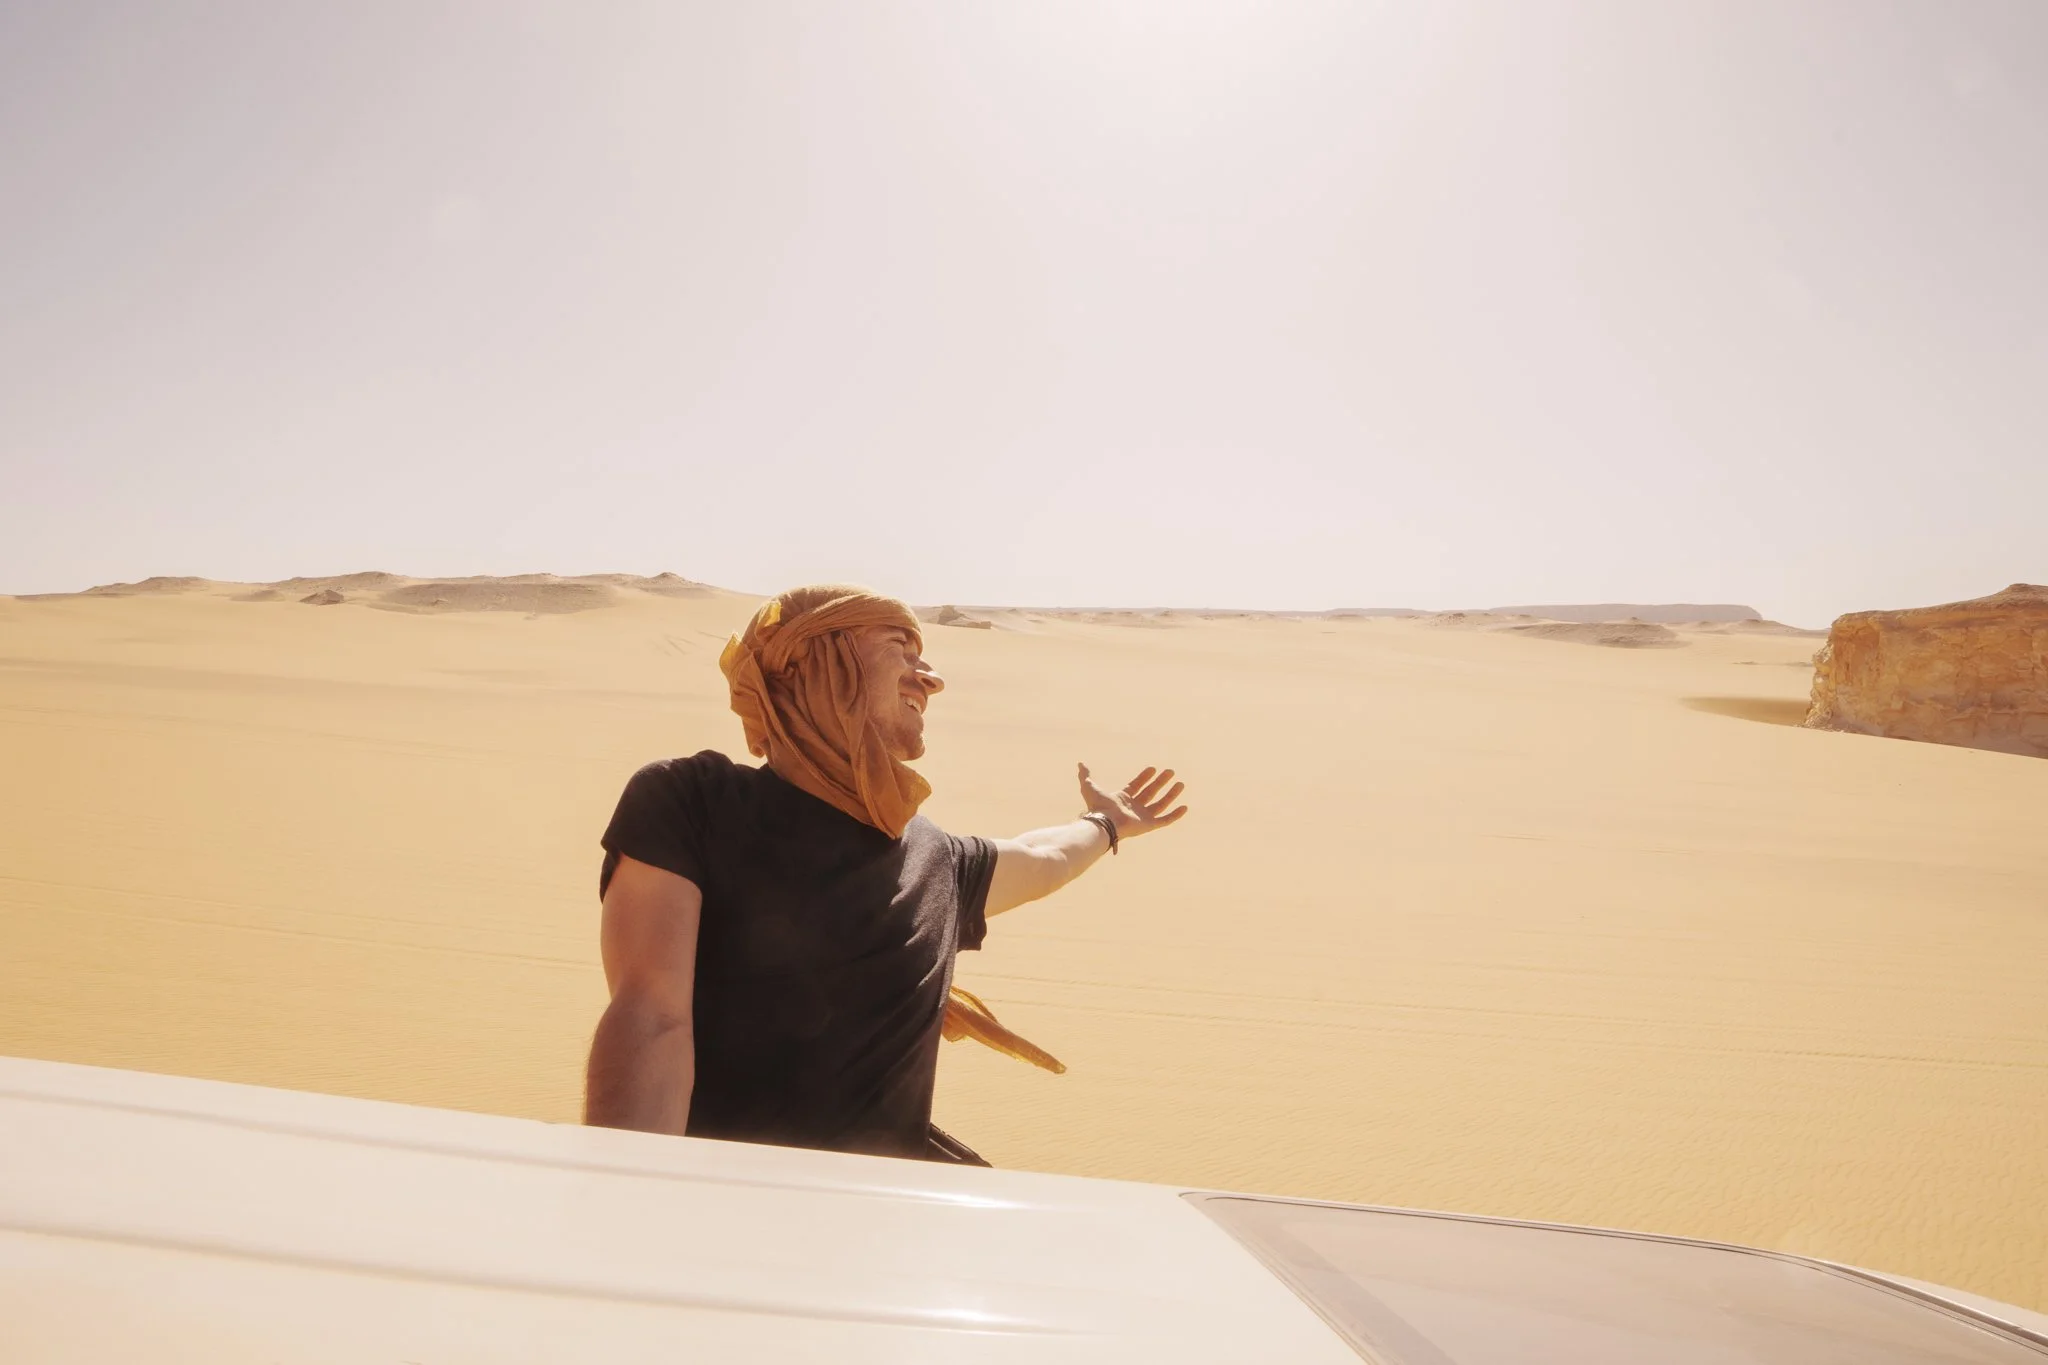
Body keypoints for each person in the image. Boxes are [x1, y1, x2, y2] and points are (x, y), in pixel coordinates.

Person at [584, 584, 1188, 1163]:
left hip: (884, 1230)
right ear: (810, 663)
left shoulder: (934, 857)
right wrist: (630, 1201)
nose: (932, 679)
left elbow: (1043, 858)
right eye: (900, 648)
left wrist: (1105, 823)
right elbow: (652, 1015)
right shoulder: (694, 802)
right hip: (719, 1222)